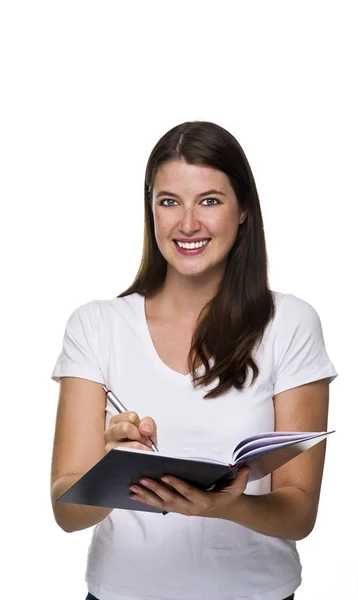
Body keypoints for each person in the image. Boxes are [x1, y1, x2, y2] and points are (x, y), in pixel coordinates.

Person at [50, 120, 338, 600]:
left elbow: (300, 514)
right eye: (169, 202)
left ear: (243, 209)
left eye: (209, 200)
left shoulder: (290, 323)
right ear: (151, 211)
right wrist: (109, 465)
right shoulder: (96, 326)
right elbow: (65, 511)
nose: (187, 224)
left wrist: (222, 506)